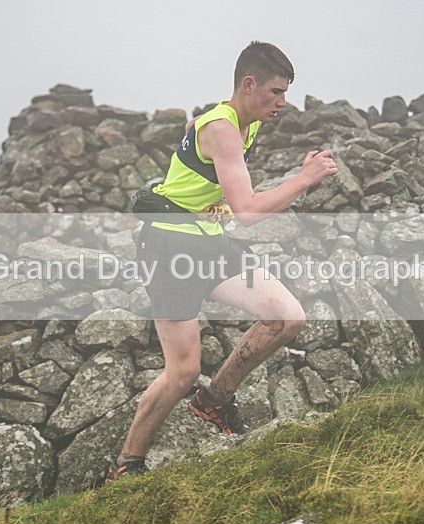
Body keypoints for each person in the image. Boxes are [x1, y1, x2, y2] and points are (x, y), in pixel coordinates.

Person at [105, 41, 338, 482]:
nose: (282, 103)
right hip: (170, 249)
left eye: (285, 92)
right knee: (182, 370)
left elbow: (204, 151)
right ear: (248, 85)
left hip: (209, 243)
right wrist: (305, 178)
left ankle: (215, 400)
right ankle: (127, 465)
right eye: (275, 92)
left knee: (286, 317)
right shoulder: (224, 128)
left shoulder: (241, 121)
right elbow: (248, 212)